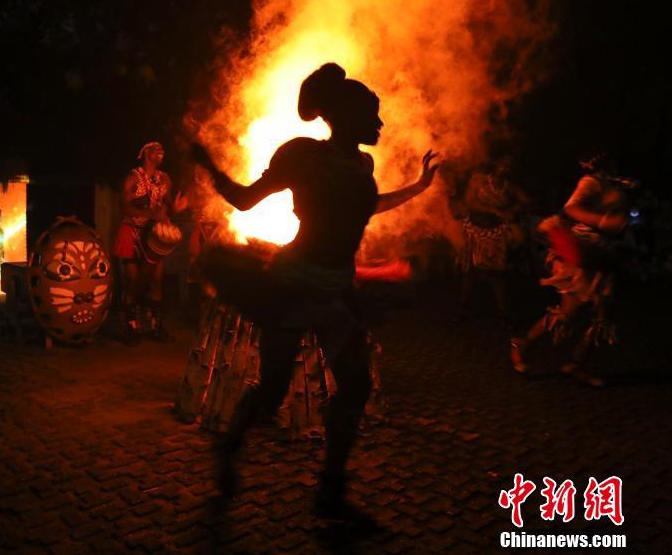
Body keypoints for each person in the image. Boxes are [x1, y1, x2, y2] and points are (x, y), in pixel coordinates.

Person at [191, 62, 439, 517]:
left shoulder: (362, 165)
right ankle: (229, 449)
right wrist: (209, 166)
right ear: (342, 115)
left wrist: (419, 187)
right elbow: (246, 200)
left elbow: (370, 206)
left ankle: (331, 488)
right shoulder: (302, 157)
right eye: (372, 113)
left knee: (356, 386)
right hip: (293, 284)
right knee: (271, 391)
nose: (379, 123)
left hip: (336, 290)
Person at [509, 153, 633, 387]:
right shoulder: (590, 182)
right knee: (569, 313)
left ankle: (576, 365)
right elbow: (571, 208)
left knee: (601, 316)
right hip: (581, 258)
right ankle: (522, 343)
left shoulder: (613, 185)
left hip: (602, 256)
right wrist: (603, 222)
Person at [113, 141, 187, 343]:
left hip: (153, 236)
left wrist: (177, 209)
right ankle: (130, 327)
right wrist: (150, 214)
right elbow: (125, 209)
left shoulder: (165, 179)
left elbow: (168, 207)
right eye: (156, 149)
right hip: (133, 233)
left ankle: (156, 326)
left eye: (163, 149)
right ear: (145, 152)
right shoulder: (132, 178)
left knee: (157, 281)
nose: (161, 151)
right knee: (133, 282)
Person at [454, 157, 529, 326]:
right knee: (469, 273)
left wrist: (514, 209)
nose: (505, 166)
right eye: (502, 162)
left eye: (509, 164)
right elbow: (470, 202)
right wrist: (496, 210)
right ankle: (462, 309)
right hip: (473, 230)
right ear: (494, 164)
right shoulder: (479, 180)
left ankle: (503, 313)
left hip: (496, 234)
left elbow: (528, 203)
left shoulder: (509, 186)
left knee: (496, 274)